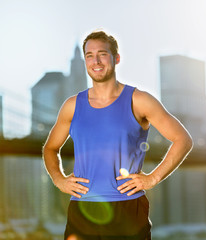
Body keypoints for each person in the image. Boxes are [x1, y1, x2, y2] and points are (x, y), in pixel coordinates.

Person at [42, 30, 193, 240]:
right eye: (89, 55)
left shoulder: (139, 100)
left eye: (102, 54)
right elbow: (50, 148)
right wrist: (59, 179)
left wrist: (153, 178)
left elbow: (183, 139)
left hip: (128, 210)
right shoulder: (72, 106)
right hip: (82, 210)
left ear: (116, 58)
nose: (96, 61)